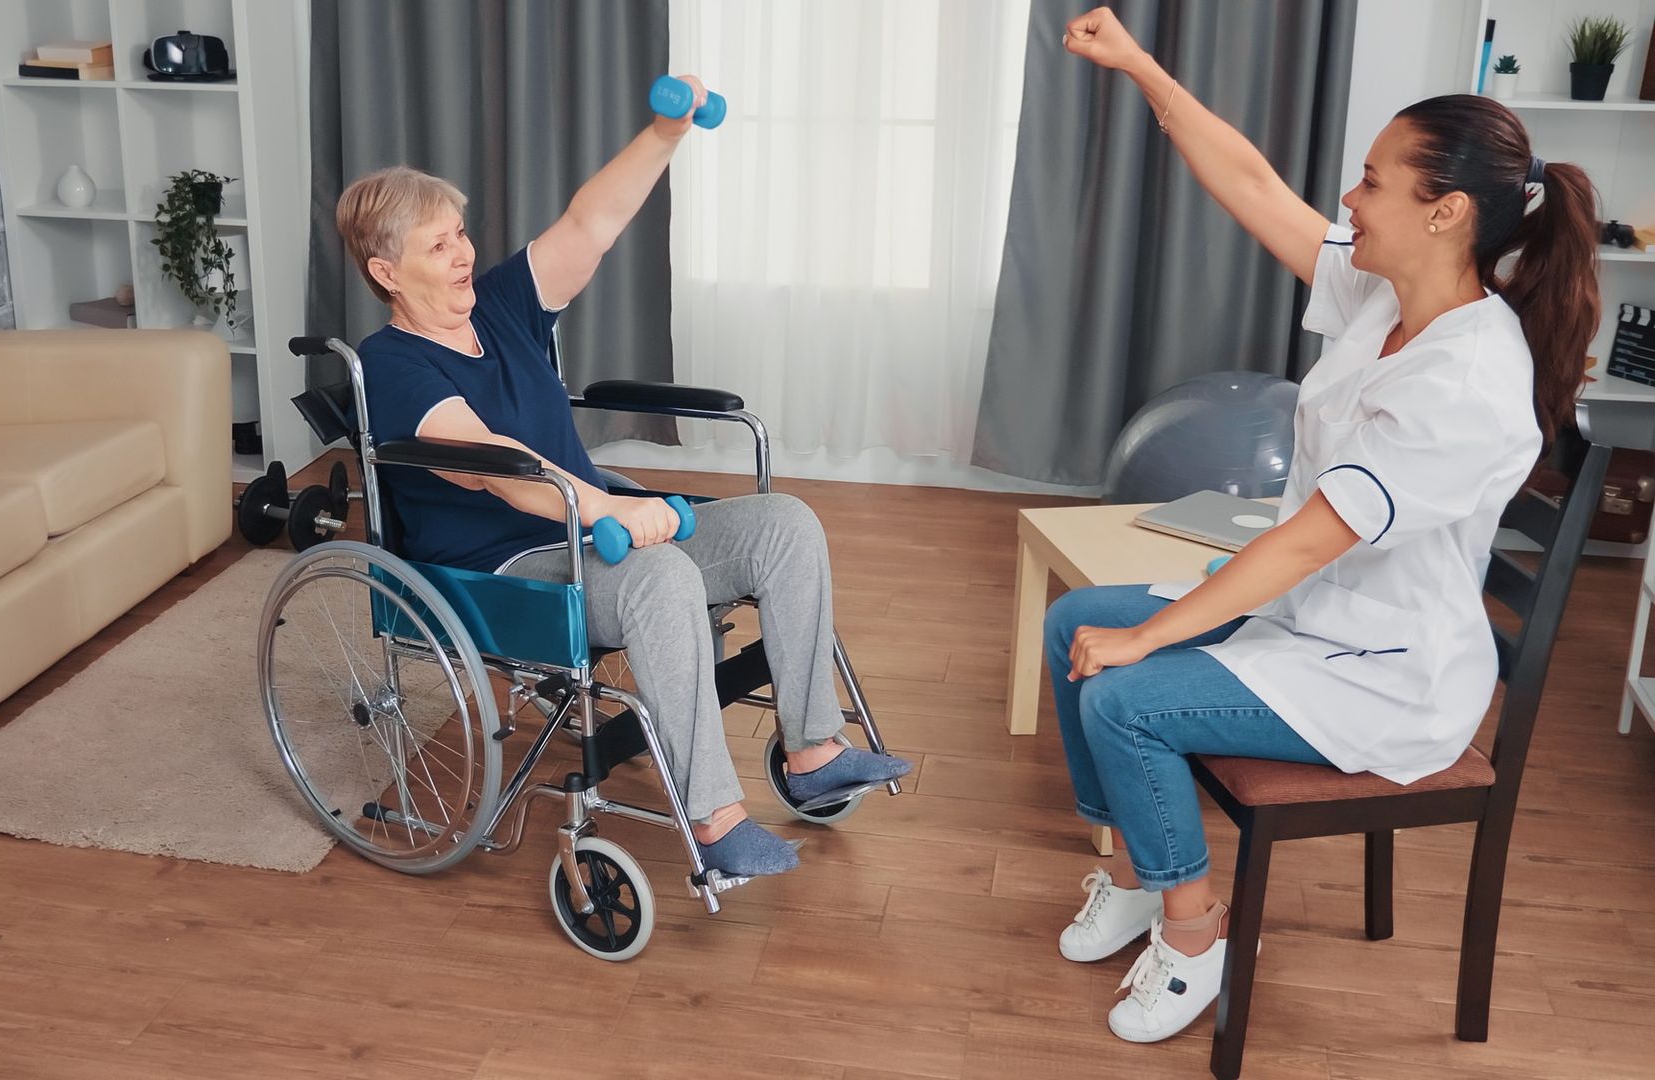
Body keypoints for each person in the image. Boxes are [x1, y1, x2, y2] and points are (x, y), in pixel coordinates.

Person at [1046, 7, 1602, 1045]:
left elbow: (1308, 539)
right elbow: (1255, 187)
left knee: (1125, 693)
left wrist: (1150, 637)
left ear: (1446, 214)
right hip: (1314, 618)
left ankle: (1199, 930)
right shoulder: (1387, 294)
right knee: (1072, 618)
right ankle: (1136, 873)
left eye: (1376, 180)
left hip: (1384, 674)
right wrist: (1140, 68)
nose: (1350, 197)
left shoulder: (1466, 376)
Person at [335, 76, 911, 880]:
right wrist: (601, 503)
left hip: (597, 531)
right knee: (661, 577)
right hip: (508, 568)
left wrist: (667, 132)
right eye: (438, 245)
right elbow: (498, 470)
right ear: (387, 272)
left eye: (461, 233)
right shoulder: (394, 366)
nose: (464, 253)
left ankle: (813, 750)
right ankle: (714, 819)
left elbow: (590, 222)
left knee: (787, 523)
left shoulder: (500, 305)